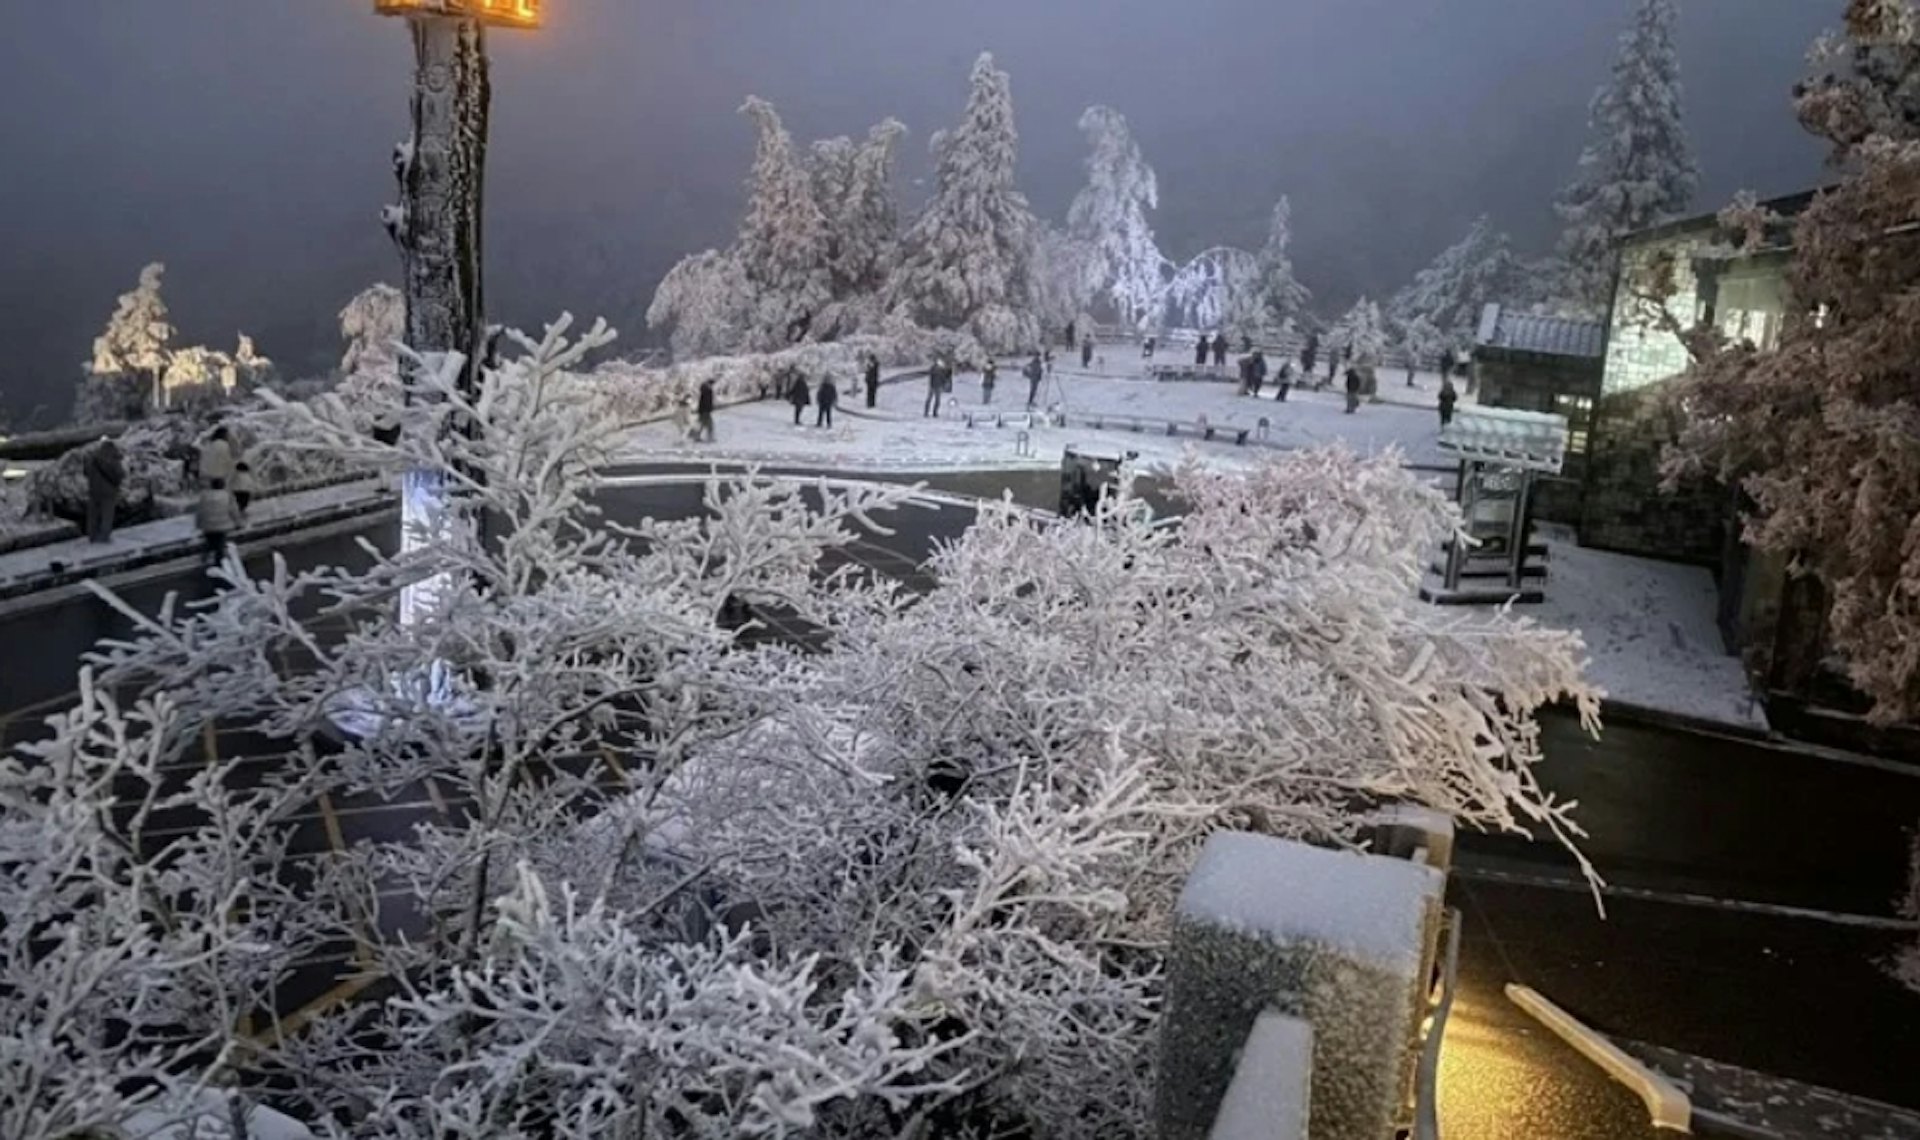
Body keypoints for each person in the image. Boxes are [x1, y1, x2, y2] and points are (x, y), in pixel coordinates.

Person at [84, 436, 124, 544]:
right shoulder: (114, 457)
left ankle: (92, 536)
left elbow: (86, 472)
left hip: (94, 490)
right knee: (107, 515)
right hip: (109, 491)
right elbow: (120, 473)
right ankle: (104, 537)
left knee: (93, 514)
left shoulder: (93, 458)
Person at [197, 476, 240, 564]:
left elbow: (200, 511)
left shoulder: (204, 496)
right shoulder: (227, 496)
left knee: (210, 540)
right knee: (220, 543)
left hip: (207, 525)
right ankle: (219, 562)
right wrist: (238, 522)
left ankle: (205, 556)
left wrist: (199, 524)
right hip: (222, 525)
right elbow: (233, 511)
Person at [198, 424, 235, 489]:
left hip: (207, 473)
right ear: (223, 435)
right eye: (227, 435)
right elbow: (226, 460)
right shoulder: (224, 445)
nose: (228, 436)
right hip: (219, 474)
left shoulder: (209, 444)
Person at [695, 377, 717, 441]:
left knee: (701, 424)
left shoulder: (704, 390)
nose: (712, 386)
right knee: (710, 424)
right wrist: (709, 409)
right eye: (712, 385)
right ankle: (710, 437)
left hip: (702, 410)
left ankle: (697, 436)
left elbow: (703, 401)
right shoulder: (708, 391)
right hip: (705, 411)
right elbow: (707, 402)